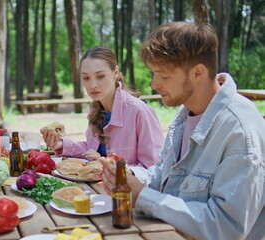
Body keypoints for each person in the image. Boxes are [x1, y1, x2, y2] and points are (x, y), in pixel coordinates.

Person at [100, 22, 264, 239]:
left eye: (163, 75)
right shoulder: (186, 113)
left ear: (198, 72)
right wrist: (127, 176)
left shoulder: (240, 131)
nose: (154, 84)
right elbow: (163, 175)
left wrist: (142, 196)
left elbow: (226, 227)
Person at [42, 46, 164, 168]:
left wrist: (106, 163)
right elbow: (92, 150)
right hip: (94, 185)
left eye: (100, 76)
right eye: (86, 78)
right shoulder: (95, 110)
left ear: (115, 73)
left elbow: (153, 168)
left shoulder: (140, 112)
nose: (92, 85)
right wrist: (62, 145)